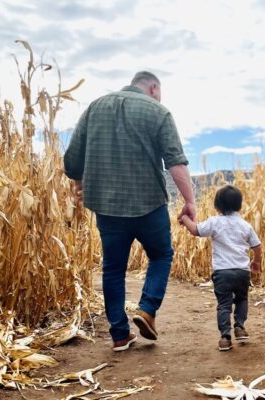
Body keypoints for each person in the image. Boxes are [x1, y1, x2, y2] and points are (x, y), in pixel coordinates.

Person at [64, 71, 196, 351]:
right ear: (153, 88)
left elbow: (73, 158)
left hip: (108, 207)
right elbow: (176, 163)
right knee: (161, 255)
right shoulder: (158, 111)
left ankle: (120, 336)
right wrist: (189, 201)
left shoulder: (95, 108)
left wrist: (78, 182)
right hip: (149, 204)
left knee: (113, 269)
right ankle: (147, 309)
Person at [179, 185, 262, 351]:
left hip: (222, 272)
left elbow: (196, 230)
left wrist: (185, 219)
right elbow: (257, 245)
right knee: (242, 299)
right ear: (239, 205)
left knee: (224, 305)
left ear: (217, 205)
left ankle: (225, 337)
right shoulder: (245, 225)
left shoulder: (215, 222)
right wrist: (256, 262)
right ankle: (240, 327)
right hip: (241, 271)